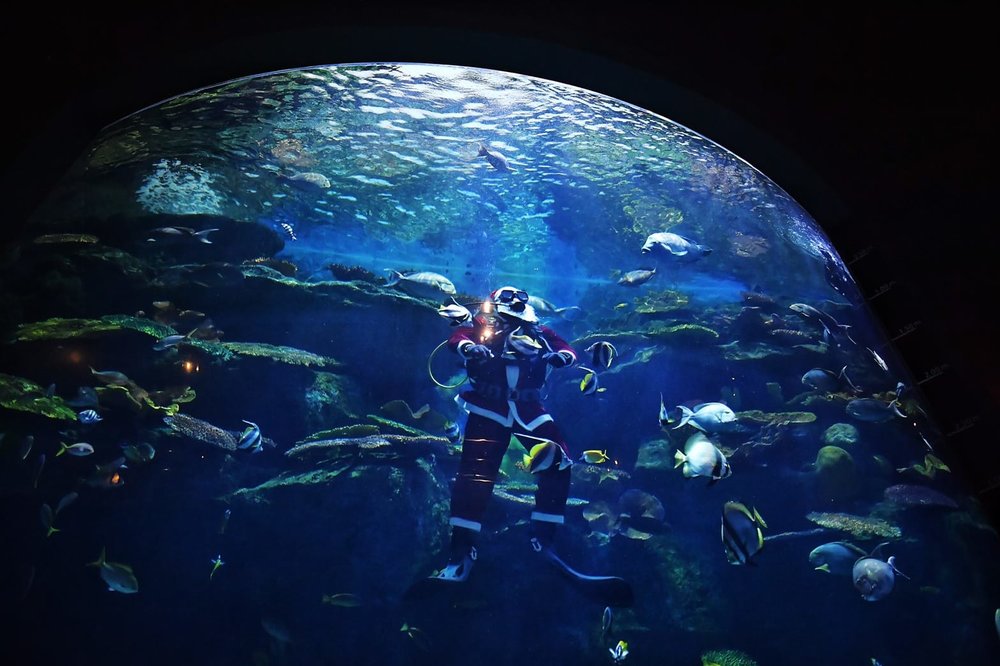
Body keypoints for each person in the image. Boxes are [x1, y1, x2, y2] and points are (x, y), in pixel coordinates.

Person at [434, 285, 578, 582]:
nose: (514, 306)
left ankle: (544, 537)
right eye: (508, 300)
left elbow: (566, 348)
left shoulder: (539, 331)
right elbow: (456, 337)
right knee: (475, 474)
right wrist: (469, 348)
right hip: (488, 406)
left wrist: (561, 357)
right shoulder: (480, 325)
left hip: (529, 407)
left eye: (519, 300)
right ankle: (462, 547)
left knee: (558, 461)